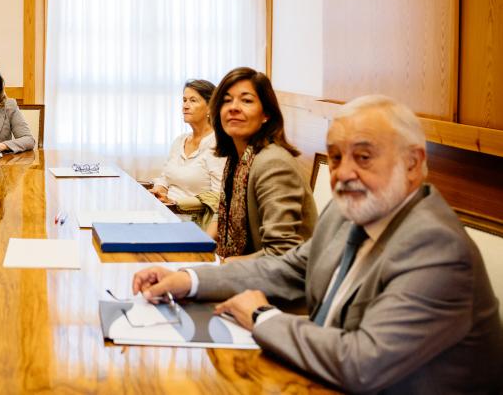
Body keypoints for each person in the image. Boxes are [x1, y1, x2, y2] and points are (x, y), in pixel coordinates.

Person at [132, 95, 503, 393]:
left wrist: (262, 317)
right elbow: (290, 267)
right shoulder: (348, 213)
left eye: (363, 157)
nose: (342, 173)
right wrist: (190, 280)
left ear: (413, 163)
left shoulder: (436, 250)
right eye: (337, 158)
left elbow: (361, 363)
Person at [207, 67, 316, 259]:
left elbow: (281, 253)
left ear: (266, 114)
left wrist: (222, 266)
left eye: (246, 100)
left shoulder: (273, 164)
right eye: (226, 100)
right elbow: (223, 215)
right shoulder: (238, 160)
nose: (234, 107)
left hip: (283, 283)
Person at [149, 79, 226, 226]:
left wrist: (176, 203)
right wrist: (158, 190)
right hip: (166, 214)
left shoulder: (218, 146)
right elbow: (165, 177)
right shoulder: (180, 141)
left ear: (210, 107)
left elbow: (218, 198)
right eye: (184, 100)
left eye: (193, 100)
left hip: (194, 222)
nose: (185, 106)